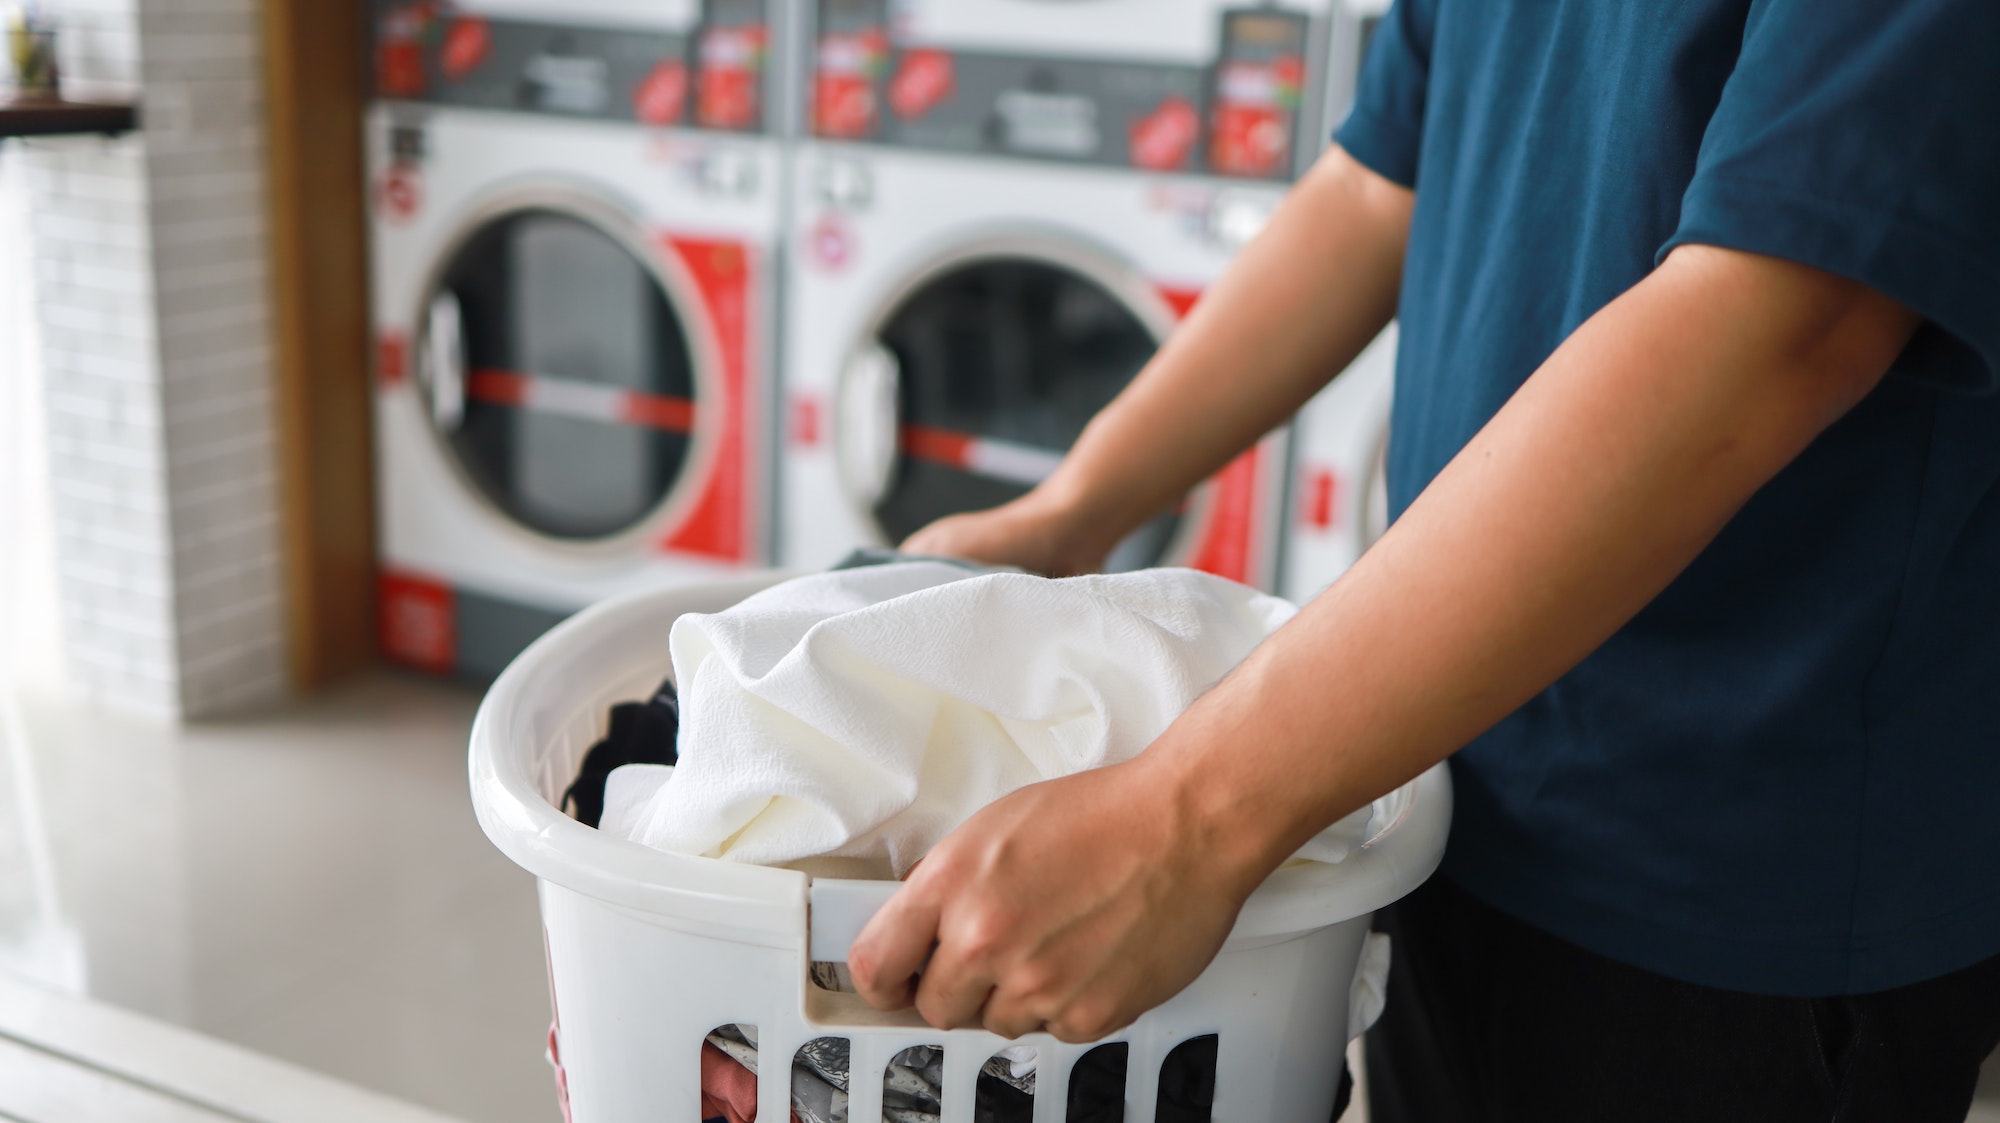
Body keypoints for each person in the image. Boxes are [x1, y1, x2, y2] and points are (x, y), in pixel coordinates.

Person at [840, 0, 2000, 1119]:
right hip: (1427, 744)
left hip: (1734, 860)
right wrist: (1074, 510)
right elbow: (1372, 183)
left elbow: (1785, 314)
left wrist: (1186, 818)